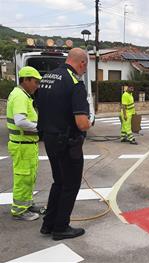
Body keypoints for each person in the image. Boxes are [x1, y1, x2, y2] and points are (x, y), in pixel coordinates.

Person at [36, 48, 91, 240]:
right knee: (70, 185)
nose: (84, 70)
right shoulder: (75, 82)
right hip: (68, 142)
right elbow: (82, 123)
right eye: (85, 66)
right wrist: (89, 123)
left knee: (58, 181)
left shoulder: (47, 78)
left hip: (49, 139)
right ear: (82, 63)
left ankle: (48, 224)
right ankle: (61, 227)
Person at [6, 66, 42, 221]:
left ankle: (27, 204)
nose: (37, 86)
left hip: (27, 145)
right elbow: (20, 121)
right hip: (22, 145)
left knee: (29, 177)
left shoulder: (24, 95)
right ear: (25, 80)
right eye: (35, 82)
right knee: (23, 177)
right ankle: (19, 210)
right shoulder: (20, 96)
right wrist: (40, 128)